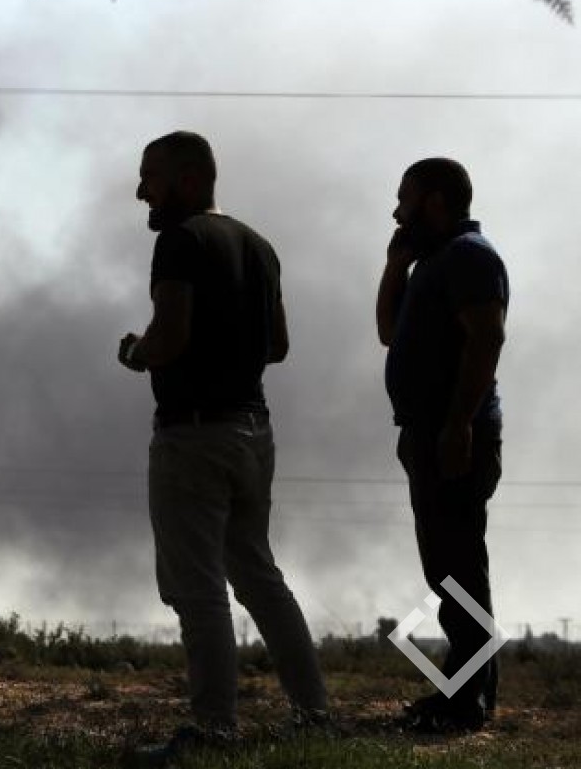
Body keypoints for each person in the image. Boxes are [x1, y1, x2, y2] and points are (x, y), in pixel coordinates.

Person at [118, 131, 327, 757]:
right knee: (260, 578)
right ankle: (314, 715)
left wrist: (136, 351)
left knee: (198, 589)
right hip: (253, 432)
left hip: (193, 436)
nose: (141, 192)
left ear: (186, 180)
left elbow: (169, 338)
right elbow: (278, 345)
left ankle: (213, 731)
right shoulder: (259, 246)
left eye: (150, 178)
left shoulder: (179, 242)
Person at [377, 158, 509, 733]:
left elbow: (487, 338)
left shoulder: (469, 257)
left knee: (456, 567)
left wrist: (458, 425)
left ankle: (465, 702)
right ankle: (467, 694)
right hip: (429, 433)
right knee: (450, 568)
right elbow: (388, 331)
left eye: (404, 199)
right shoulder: (434, 261)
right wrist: (394, 266)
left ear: (433, 201)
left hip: (453, 436)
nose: (396, 211)